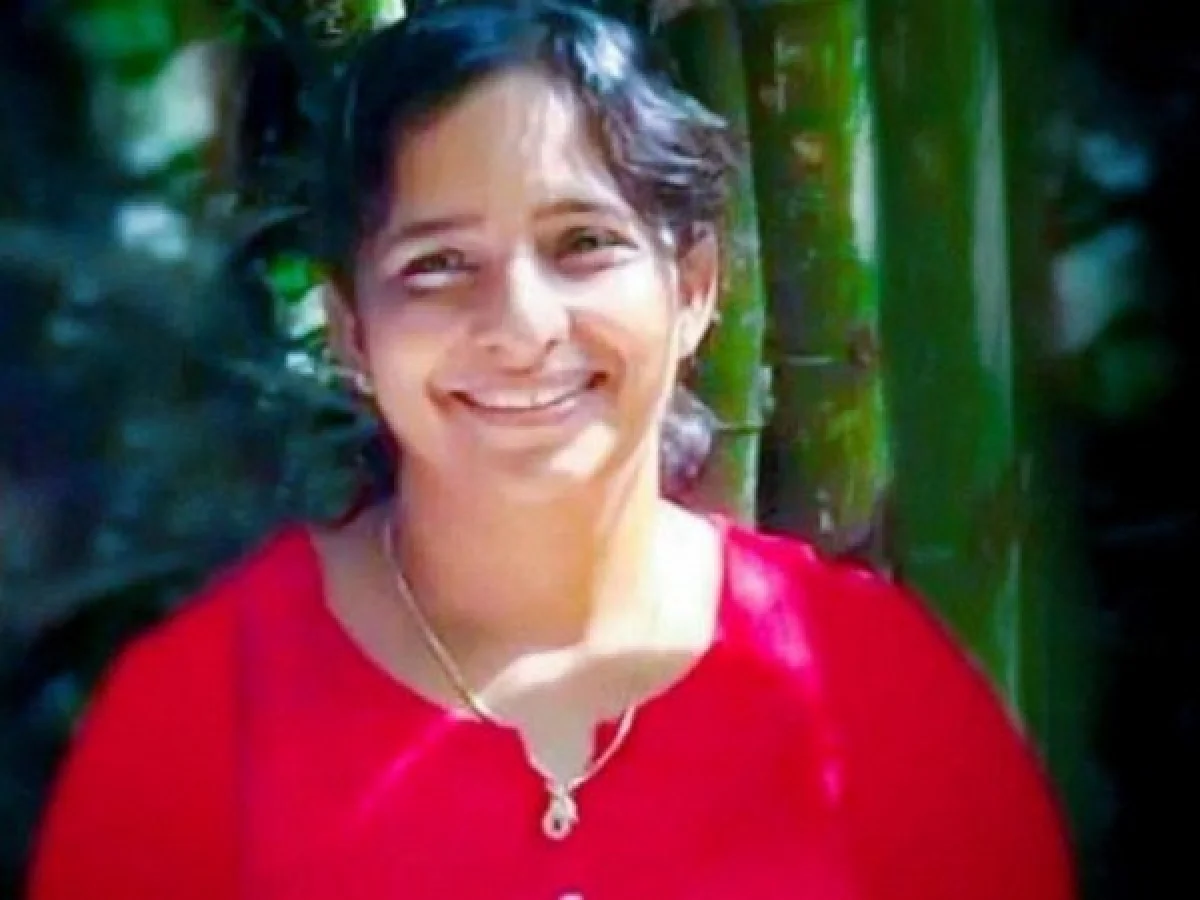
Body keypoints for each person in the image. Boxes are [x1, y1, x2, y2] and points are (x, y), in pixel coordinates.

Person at [26, 3, 1075, 898]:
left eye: (584, 244)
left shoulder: (873, 691)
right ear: (351, 331)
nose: (522, 327)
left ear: (694, 287)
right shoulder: (195, 719)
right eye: (439, 264)